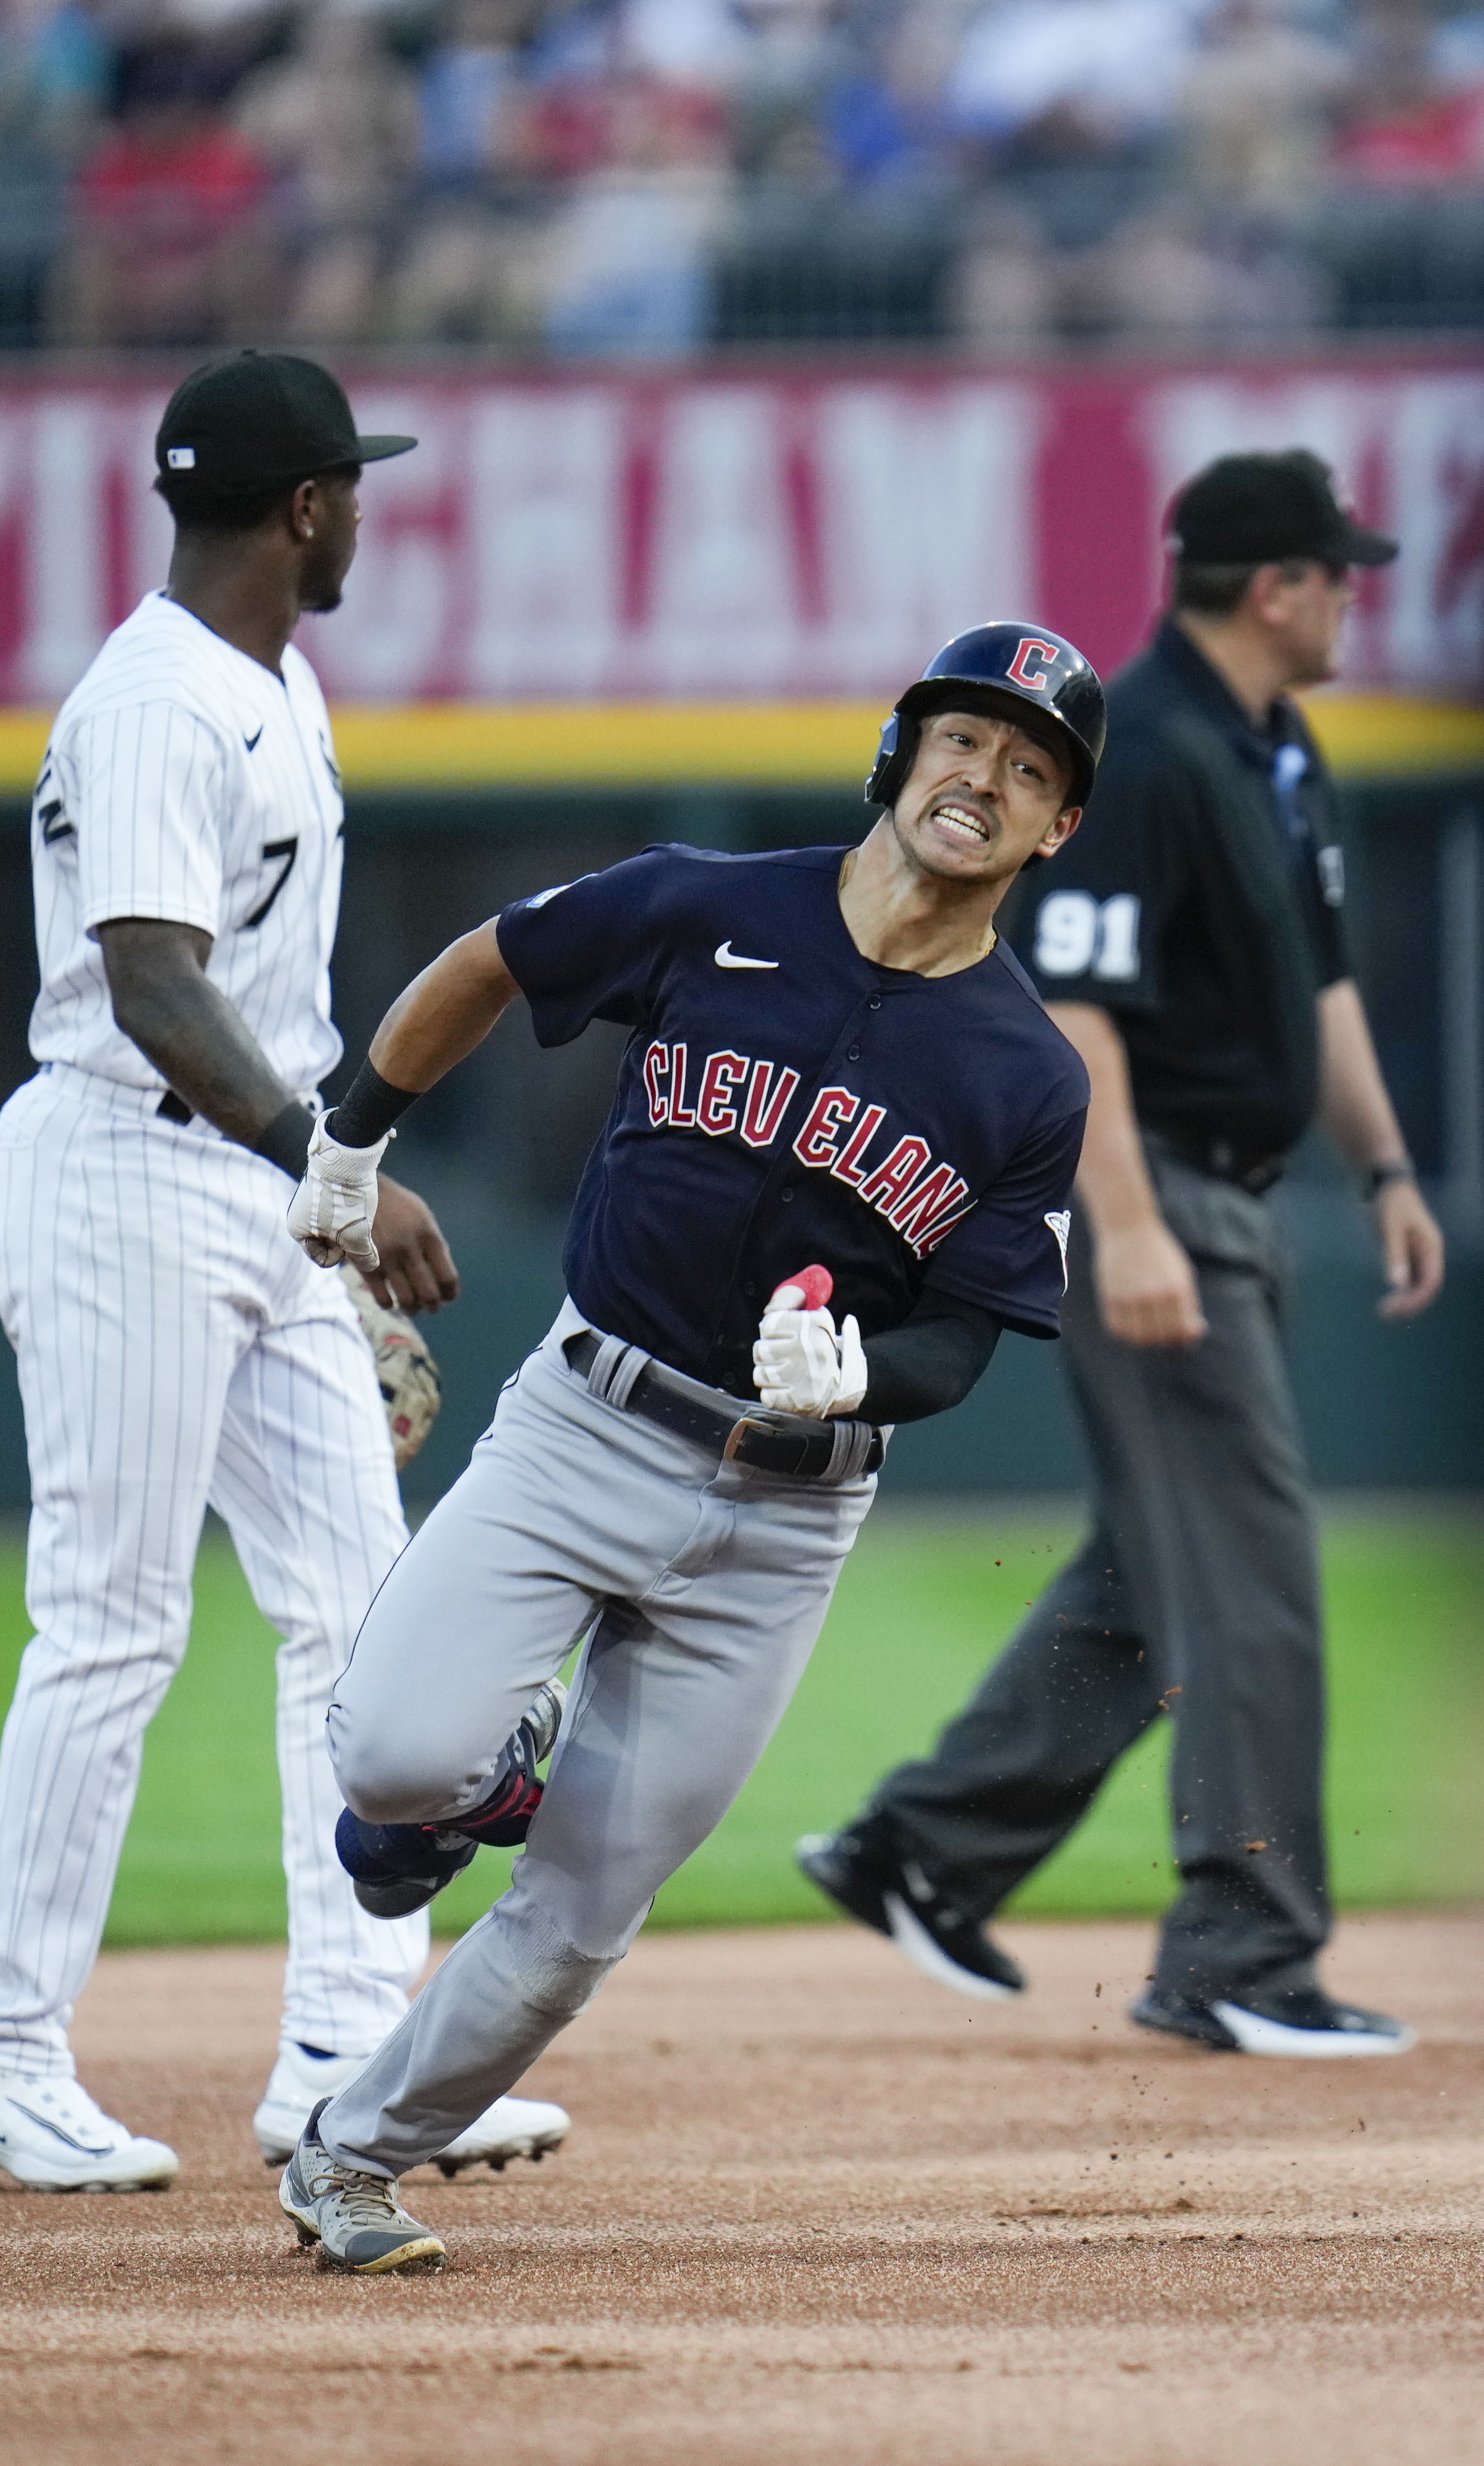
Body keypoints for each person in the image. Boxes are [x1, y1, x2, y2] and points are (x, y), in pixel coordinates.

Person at [267, 620, 1105, 2274]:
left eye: (1030, 770)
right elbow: (494, 958)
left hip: (783, 1529)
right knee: (389, 1769)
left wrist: (865, 1374)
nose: (985, 781)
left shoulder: (1031, 1075)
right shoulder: (713, 906)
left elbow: (972, 1333)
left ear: (1057, 829)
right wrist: (354, 1131)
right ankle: (480, 1778)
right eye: (964, 741)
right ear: (899, 753)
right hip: (589, 1419)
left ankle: (355, 2155)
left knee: (580, 1925)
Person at [0, 352, 567, 2193]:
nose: (365, 508)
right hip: (123, 1164)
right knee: (112, 1621)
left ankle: (353, 2055)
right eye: (351, 484)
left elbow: (257, 1002)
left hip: (245, 1191)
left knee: (367, 1622)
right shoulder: (154, 702)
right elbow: (152, 981)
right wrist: (344, 1179)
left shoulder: (275, 681)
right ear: (301, 509)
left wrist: (319, 1206)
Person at [799, 450, 1445, 2058]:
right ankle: (1241, 1949)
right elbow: (1076, 998)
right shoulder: (1147, 747)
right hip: (1155, 1195)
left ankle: (919, 1850)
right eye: (1338, 573)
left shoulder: (1274, 750)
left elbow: (1323, 993)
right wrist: (1132, 1223)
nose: (1354, 598)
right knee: (1254, 1589)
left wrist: (1384, 1167)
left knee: (1156, 1585)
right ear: (1276, 586)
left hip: (1233, 1193)